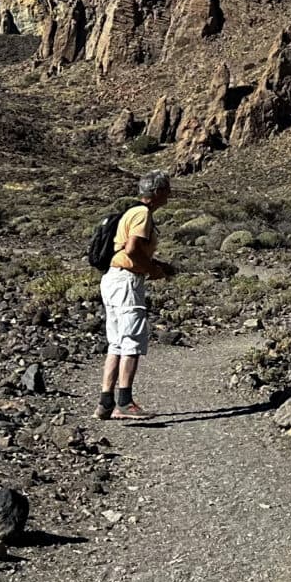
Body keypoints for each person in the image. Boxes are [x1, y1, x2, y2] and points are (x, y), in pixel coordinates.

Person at [98, 170, 174, 422]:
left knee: (117, 342)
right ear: (157, 192)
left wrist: (156, 265)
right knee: (131, 340)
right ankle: (125, 402)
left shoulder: (131, 211)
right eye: (166, 190)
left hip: (113, 278)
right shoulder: (142, 214)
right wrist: (152, 269)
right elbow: (132, 250)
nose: (169, 194)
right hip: (127, 282)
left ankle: (105, 403)